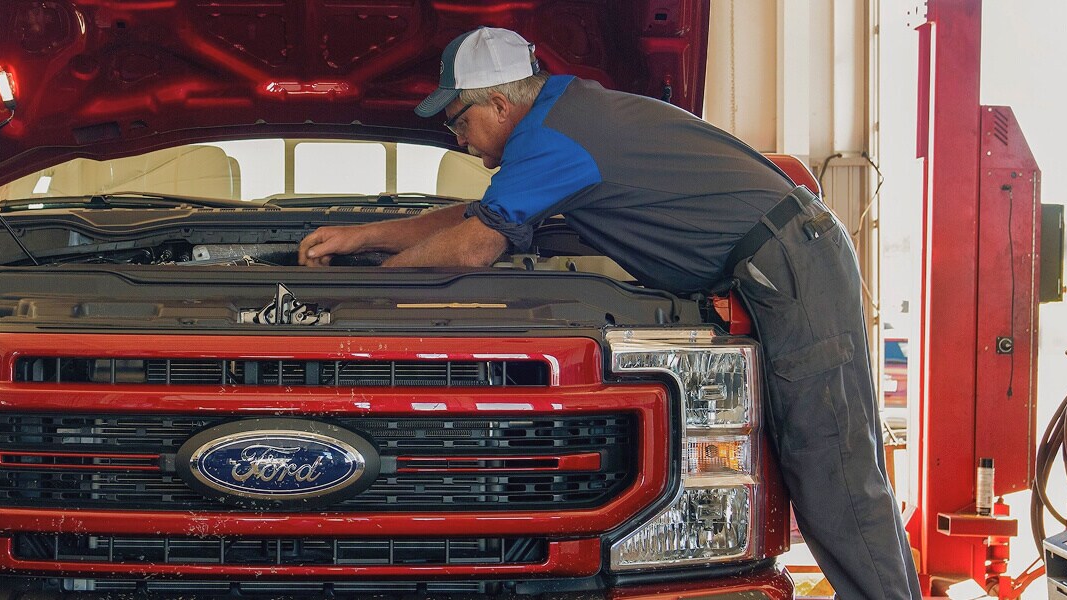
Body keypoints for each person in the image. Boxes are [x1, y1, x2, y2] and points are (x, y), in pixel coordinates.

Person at [299, 26, 921, 600]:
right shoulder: (564, 117)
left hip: (789, 262)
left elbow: (472, 247)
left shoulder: (552, 137)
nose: (456, 138)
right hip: (782, 257)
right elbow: (474, 218)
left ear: (499, 104)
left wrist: (361, 291)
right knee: (831, 463)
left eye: (458, 120)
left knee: (832, 465)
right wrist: (361, 236)